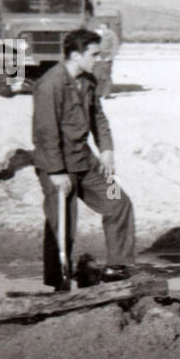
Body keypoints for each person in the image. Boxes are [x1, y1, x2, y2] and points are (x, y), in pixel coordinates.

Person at [32, 28, 135, 289]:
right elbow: (46, 133)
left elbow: (98, 117)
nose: (98, 59)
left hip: (86, 163)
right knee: (62, 225)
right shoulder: (50, 84)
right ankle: (59, 283)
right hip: (56, 166)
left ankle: (116, 267)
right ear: (76, 55)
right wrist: (56, 172)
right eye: (94, 54)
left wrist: (107, 149)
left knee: (119, 203)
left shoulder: (88, 80)